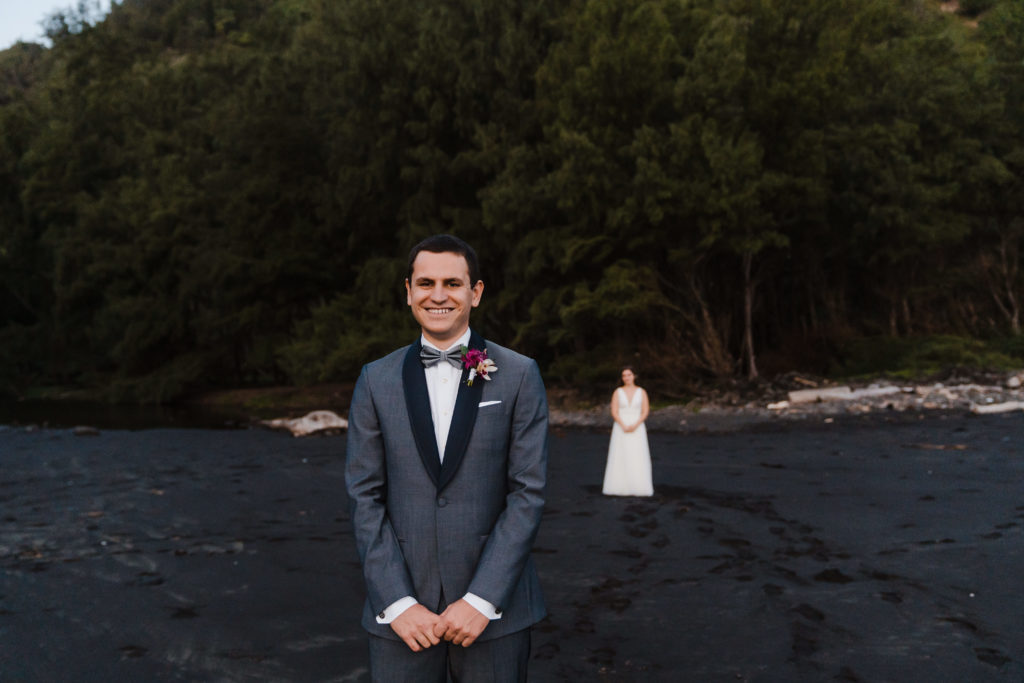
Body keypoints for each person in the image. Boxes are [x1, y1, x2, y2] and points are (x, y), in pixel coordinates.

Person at [345, 234, 549, 682]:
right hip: (401, 619)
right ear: (408, 291)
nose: (438, 295)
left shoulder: (518, 375)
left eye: (452, 283)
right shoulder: (375, 380)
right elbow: (364, 497)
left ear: (475, 292)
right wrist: (397, 602)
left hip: (494, 618)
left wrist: (481, 600)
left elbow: (528, 493)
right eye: (426, 283)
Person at [601, 366, 653, 496]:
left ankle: (639, 486)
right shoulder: (617, 392)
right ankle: (618, 486)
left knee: (637, 454)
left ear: (634, 376)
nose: (626, 378)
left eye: (629, 375)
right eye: (624, 376)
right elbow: (614, 411)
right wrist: (623, 424)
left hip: (637, 426)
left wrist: (636, 424)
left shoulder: (642, 392)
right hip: (621, 426)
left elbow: (645, 410)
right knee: (620, 454)